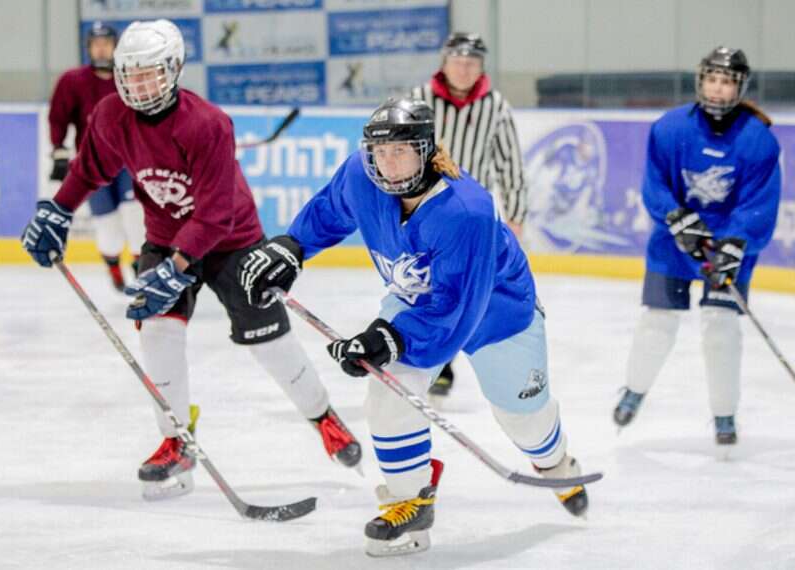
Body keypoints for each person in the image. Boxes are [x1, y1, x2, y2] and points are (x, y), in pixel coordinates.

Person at [22, 19, 361, 501]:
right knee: (158, 330)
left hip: (233, 241)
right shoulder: (109, 115)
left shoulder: (206, 123)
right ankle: (176, 438)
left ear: (175, 70)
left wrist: (177, 269)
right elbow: (90, 169)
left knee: (270, 343)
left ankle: (324, 417)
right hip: (164, 237)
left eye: (150, 74)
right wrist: (58, 209)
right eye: (130, 74)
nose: (138, 85)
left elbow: (217, 215)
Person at [237, 98, 588, 557]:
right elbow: (331, 209)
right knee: (387, 393)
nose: (389, 163)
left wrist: (391, 338)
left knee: (524, 421)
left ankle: (558, 466)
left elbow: (457, 307)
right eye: (380, 152)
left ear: (427, 151)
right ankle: (410, 503)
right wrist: (292, 247)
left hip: (495, 312)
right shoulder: (364, 176)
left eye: (401, 151)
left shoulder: (466, 211)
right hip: (416, 301)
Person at [611, 46, 781, 446]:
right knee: (658, 322)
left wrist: (736, 244)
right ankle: (634, 389)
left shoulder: (758, 140)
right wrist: (675, 217)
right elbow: (654, 185)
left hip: (727, 244)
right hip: (673, 243)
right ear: (700, 81)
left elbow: (760, 204)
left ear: (739, 86)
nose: (718, 89)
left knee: (721, 328)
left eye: (726, 81)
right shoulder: (670, 129)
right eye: (712, 79)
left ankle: (725, 415)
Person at [408, 31, 528, 402]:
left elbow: (510, 164)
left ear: (481, 67)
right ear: (445, 61)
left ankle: (462, 353)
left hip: (471, 215)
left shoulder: (495, 106)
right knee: (421, 283)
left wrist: (516, 215)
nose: (464, 68)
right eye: (459, 60)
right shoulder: (418, 100)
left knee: (463, 284)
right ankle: (436, 360)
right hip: (422, 208)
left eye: (472, 62)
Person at [48, 21, 144, 291]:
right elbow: (58, 117)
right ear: (89, 48)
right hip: (92, 163)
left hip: (128, 160)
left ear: (115, 46)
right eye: (96, 44)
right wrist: (58, 149)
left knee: (136, 217)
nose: (101, 49)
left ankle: (140, 267)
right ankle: (113, 264)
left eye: (106, 44)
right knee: (108, 226)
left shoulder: (128, 77)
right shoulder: (73, 80)